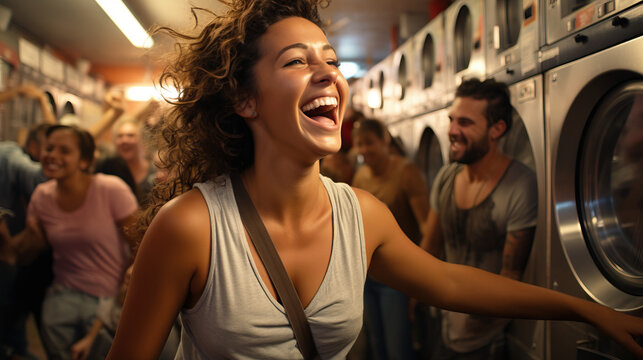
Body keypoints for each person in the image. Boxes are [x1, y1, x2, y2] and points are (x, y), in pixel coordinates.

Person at [107, 1, 643, 359]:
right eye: (296, 61)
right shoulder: (192, 226)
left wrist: (583, 307)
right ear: (245, 100)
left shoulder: (359, 215)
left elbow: (450, 282)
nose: (328, 74)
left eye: (333, 61)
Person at [420, 78, 537, 359]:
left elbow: (510, 278)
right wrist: (417, 298)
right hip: (444, 325)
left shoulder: (520, 185)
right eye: (451, 120)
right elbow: (430, 247)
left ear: (497, 129)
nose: (452, 131)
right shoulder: (447, 176)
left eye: (465, 123)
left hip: (489, 340)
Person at [11, 125, 138, 360]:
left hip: (108, 302)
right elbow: (26, 254)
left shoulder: (110, 189)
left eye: (64, 151)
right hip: (62, 300)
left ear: (84, 160)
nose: (52, 156)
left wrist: (125, 295)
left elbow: (140, 245)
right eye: (49, 148)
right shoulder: (42, 196)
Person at [352, 118, 429, 360]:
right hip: (368, 275)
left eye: (370, 143)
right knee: (377, 345)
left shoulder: (406, 172)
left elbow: (426, 226)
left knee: (398, 348)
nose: (364, 150)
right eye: (359, 144)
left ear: (385, 141)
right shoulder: (361, 176)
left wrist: (421, 283)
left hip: (398, 276)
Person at [95, 112, 157, 206]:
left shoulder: (155, 173)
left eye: (130, 135)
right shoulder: (105, 171)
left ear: (140, 139)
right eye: (120, 136)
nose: (125, 140)